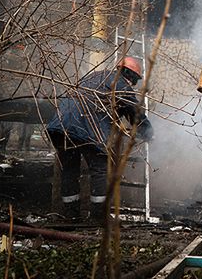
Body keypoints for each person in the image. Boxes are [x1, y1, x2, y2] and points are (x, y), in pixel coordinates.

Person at [46, 56, 153, 220]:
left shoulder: (94, 76)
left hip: (60, 124)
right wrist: (148, 132)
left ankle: (71, 214)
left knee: (69, 170)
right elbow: (134, 112)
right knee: (101, 168)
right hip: (84, 126)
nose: (133, 85)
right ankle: (98, 214)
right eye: (135, 81)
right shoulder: (121, 84)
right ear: (131, 76)